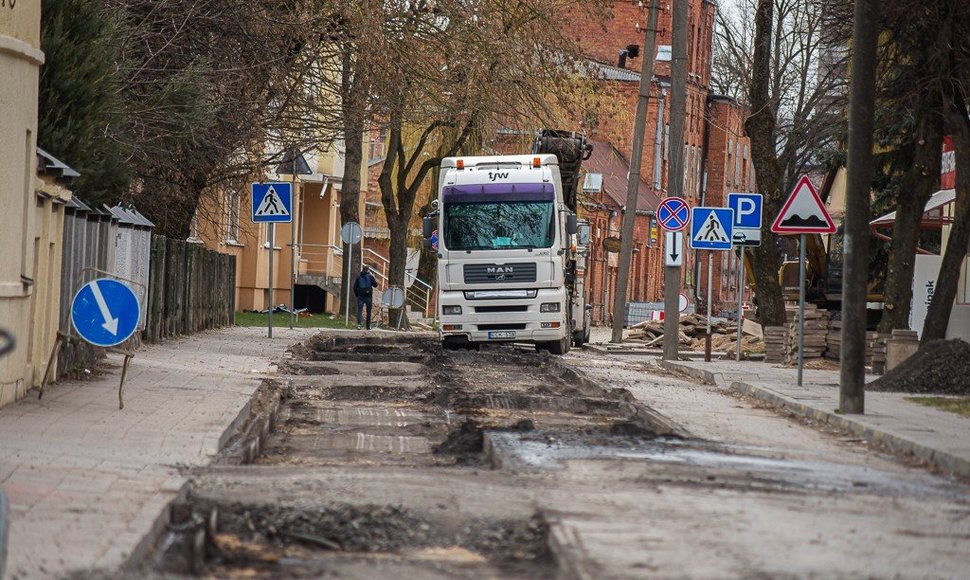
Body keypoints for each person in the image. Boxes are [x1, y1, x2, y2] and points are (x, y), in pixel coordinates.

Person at [353, 266, 378, 330]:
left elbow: (354, 287)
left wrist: (357, 295)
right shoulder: (370, 277)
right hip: (368, 297)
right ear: (368, 270)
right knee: (368, 311)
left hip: (360, 296)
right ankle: (368, 326)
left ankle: (359, 325)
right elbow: (375, 285)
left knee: (359, 311)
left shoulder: (358, 277)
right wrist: (373, 278)